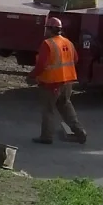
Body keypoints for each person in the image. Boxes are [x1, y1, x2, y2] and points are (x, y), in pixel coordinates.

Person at [30, 16, 87, 145]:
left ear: (50, 29)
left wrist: (32, 76)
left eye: (47, 29)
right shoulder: (68, 42)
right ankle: (79, 131)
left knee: (48, 109)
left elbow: (41, 65)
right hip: (67, 82)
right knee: (66, 106)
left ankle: (46, 136)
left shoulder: (47, 44)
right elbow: (75, 59)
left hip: (51, 83)